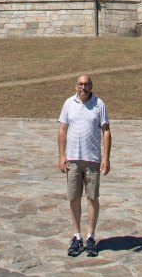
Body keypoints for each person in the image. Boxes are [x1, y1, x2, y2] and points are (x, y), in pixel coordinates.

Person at [58, 74, 111, 258]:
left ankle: (91, 236)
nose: (83, 87)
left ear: (91, 86)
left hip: (92, 159)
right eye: (80, 84)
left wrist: (106, 158)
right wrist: (62, 155)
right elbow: (62, 129)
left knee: (92, 198)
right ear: (76, 87)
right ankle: (77, 235)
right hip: (72, 159)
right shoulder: (68, 104)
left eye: (86, 84)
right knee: (73, 197)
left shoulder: (99, 104)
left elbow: (106, 131)